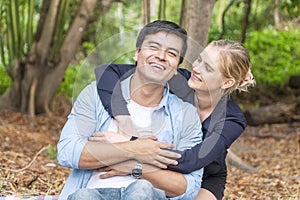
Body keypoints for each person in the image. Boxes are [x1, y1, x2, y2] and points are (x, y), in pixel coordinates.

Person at [57, 20, 204, 200]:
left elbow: (189, 188)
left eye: (171, 53)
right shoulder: (94, 95)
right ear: (137, 53)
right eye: (153, 47)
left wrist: (135, 167)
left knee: (140, 190)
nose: (161, 56)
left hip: (145, 195)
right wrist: (135, 148)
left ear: (176, 69)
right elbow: (68, 151)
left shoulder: (186, 115)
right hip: (90, 193)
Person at [95, 39, 255, 200]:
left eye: (207, 68)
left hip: (204, 176)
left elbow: (191, 161)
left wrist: (132, 144)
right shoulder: (179, 79)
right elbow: (106, 71)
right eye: (199, 59)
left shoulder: (232, 120)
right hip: (159, 164)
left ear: (227, 82)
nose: (196, 68)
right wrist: (123, 119)